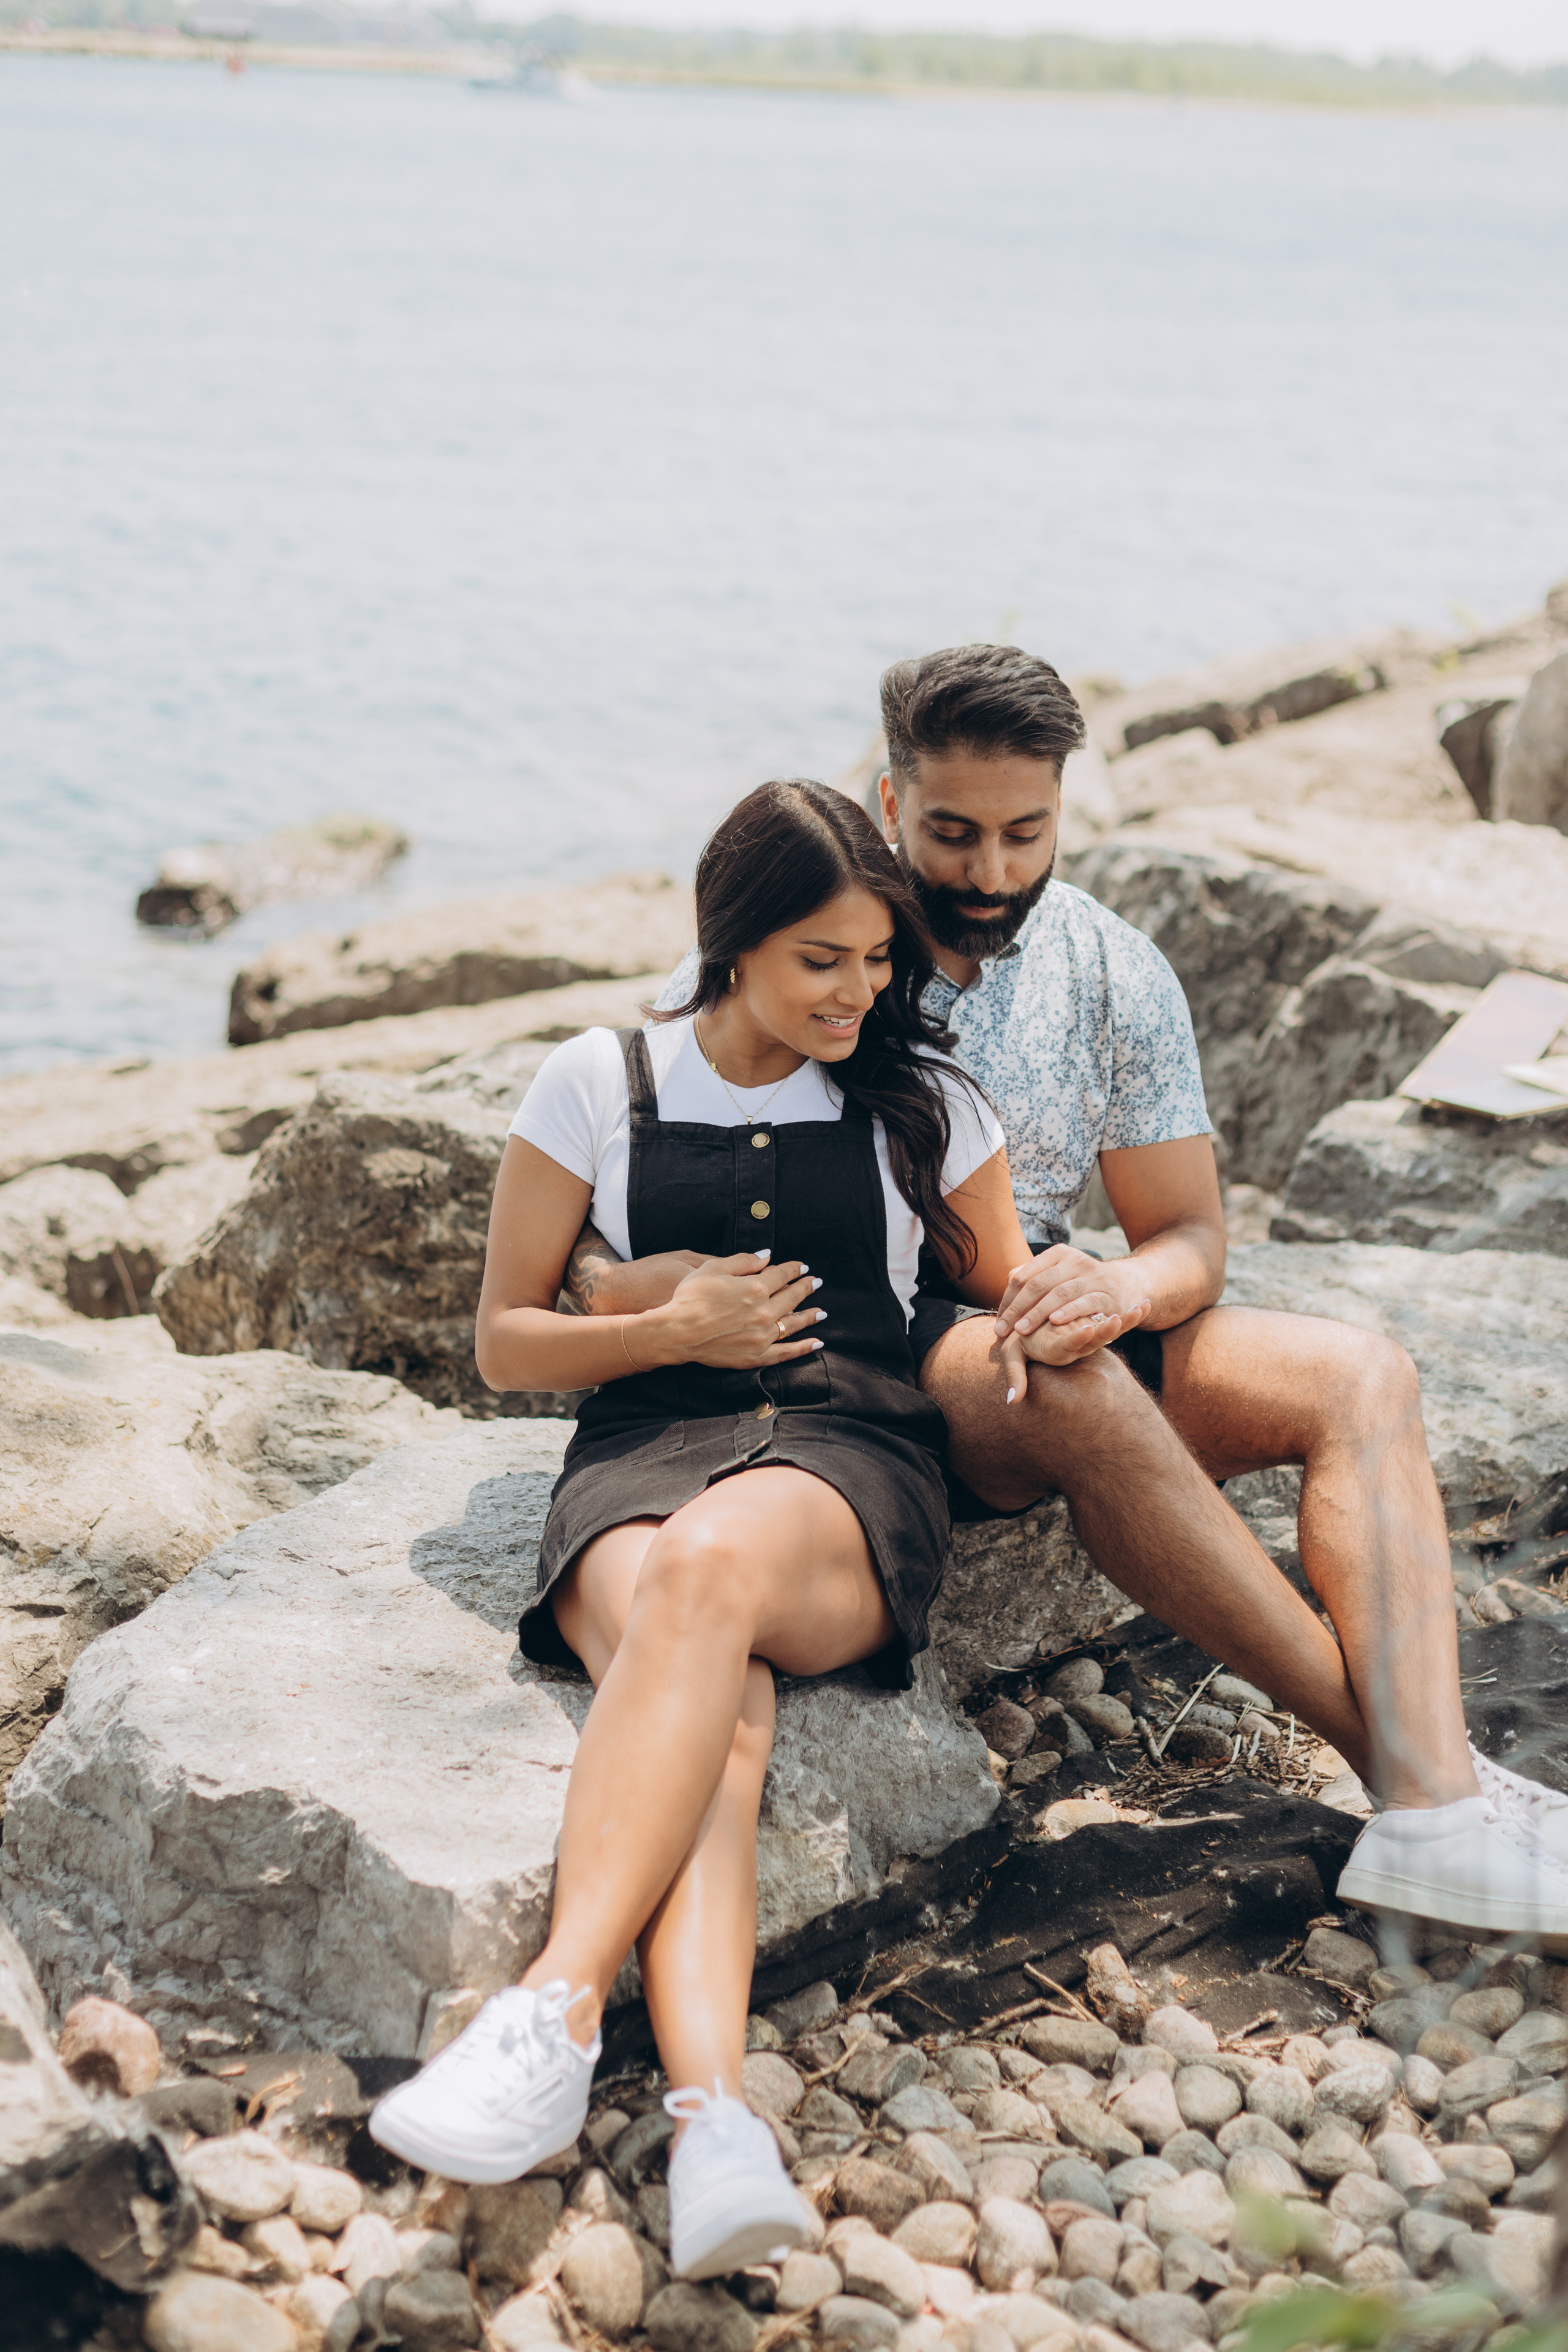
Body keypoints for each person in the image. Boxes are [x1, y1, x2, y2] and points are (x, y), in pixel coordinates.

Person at [579, 645, 1568, 1943]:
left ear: (1062, 808)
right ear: (886, 804)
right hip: (864, 1364)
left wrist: (1113, 1285)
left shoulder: (1112, 971)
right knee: (1062, 1376)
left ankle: (1432, 1793)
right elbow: (610, 1209)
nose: (989, 873)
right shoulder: (788, 951)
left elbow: (1190, 1240)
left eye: (1022, 832)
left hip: (1043, 1308)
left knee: (1356, 1372)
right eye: (950, 833)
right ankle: (1428, 1791)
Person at [369, 780, 1106, 2268]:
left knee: (706, 1577)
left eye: (877, 958)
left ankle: (555, 2007)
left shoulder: (931, 1101)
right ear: (734, 942)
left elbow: (1001, 1297)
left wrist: (1107, 1308)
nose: (860, 990)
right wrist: (666, 1321)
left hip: (844, 1464)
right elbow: (505, 1344)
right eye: (821, 959)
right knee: (719, 1688)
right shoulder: (599, 1079)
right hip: (638, 1451)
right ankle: (713, 2125)